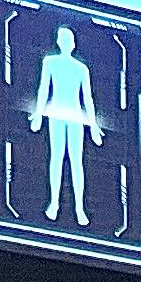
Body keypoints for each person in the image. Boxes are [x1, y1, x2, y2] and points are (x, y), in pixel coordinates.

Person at [26, 24, 102, 223]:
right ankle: (54, 203)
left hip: (76, 118)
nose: (67, 43)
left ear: (73, 44)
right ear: (59, 42)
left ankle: (79, 208)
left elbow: (88, 98)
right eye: (64, 39)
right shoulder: (50, 62)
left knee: (77, 162)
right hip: (57, 116)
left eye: (70, 40)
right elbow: (43, 89)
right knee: (57, 158)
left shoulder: (81, 68)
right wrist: (38, 114)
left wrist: (93, 125)